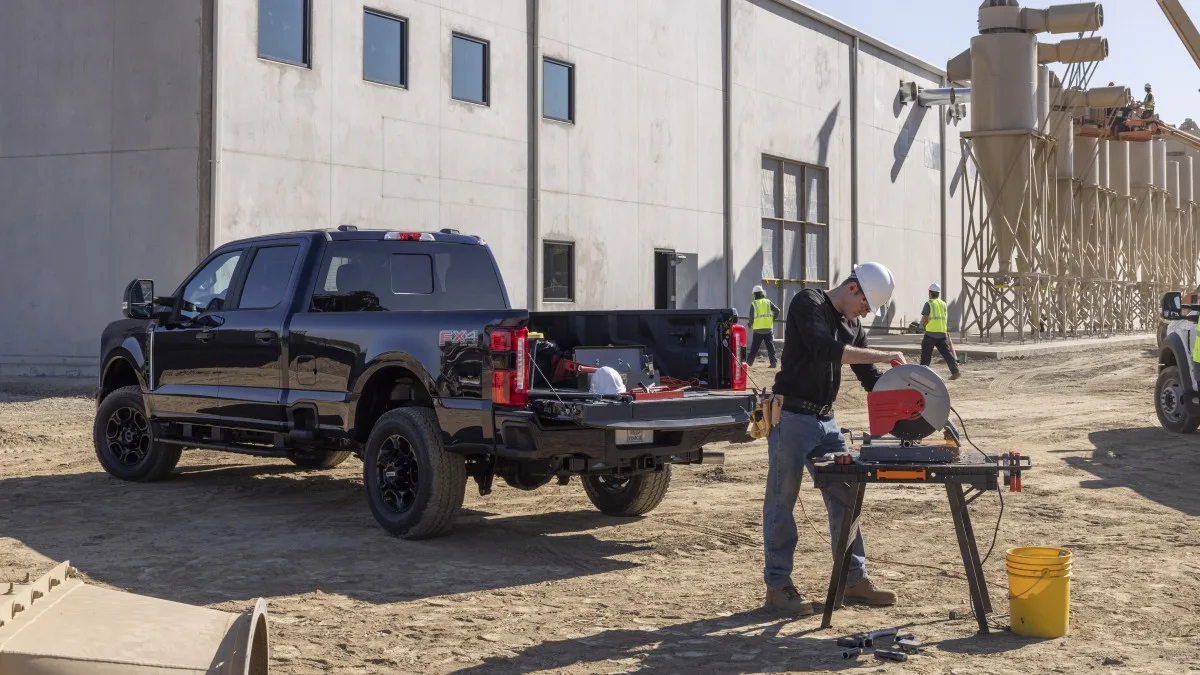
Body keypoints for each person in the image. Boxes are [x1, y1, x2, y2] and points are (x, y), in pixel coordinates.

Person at [763, 262, 904, 615]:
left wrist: (908, 407)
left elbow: (869, 378)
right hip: (791, 417)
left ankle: (853, 580)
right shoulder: (807, 303)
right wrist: (886, 354)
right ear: (853, 287)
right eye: (865, 305)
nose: (864, 313)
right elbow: (825, 348)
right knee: (782, 502)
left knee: (846, 497)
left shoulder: (853, 326)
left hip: (826, 422)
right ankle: (778, 587)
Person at [920, 283, 961, 380]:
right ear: (938, 293)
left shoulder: (929, 303)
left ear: (930, 293)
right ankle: (955, 371)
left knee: (926, 355)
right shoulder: (943, 304)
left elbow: (925, 318)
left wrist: (924, 325)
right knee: (947, 354)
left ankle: (921, 374)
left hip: (930, 334)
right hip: (942, 334)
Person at [747, 285, 781, 368]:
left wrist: (750, 324)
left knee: (754, 348)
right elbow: (777, 311)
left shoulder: (754, 304)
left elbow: (751, 317)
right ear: (762, 293)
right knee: (770, 347)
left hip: (758, 329)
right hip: (768, 328)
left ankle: (749, 363)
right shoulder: (768, 302)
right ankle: (773, 363)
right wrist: (772, 319)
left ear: (755, 294)